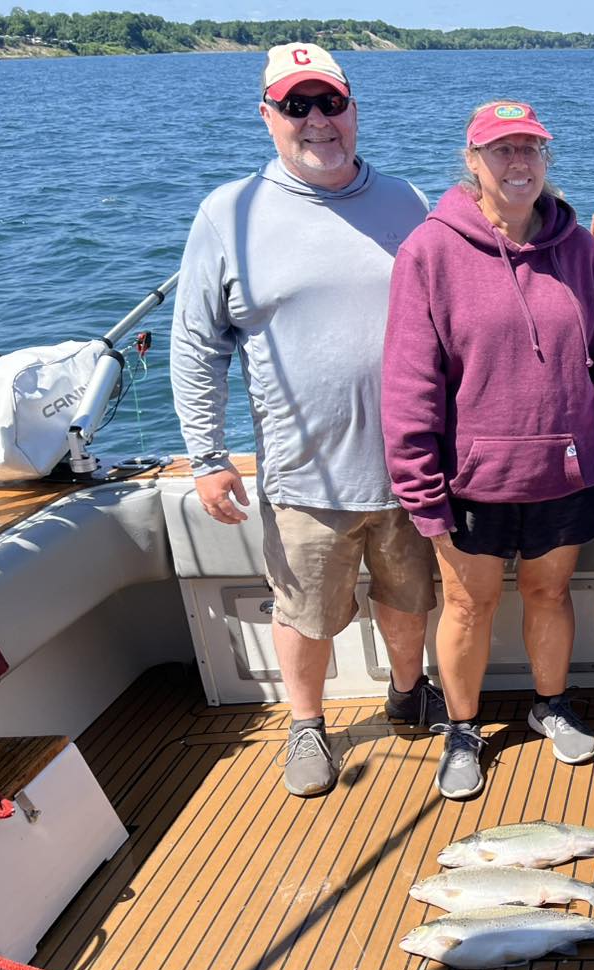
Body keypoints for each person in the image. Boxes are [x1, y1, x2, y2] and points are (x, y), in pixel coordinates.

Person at [171, 42, 444, 799]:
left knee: (409, 601)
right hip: (302, 477)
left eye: (330, 102)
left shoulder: (410, 201)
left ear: (354, 109)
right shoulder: (227, 214)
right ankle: (306, 724)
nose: (317, 119)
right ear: (267, 115)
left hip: (410, 468)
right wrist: (207, 456)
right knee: (306, 614)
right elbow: (196, 345)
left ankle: (408, 693)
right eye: (297, 105)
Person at [383, 101, 594, 800]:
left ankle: (552, 704)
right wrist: (421, 488)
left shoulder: (580, 250)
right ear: (472, 161)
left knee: (551, 592)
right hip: (472, 482)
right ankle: (463, 730)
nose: (519, 163)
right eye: (501, 150)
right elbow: (409, 382)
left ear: (546, 158)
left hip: (565, 471)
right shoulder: (429, 251)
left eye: (530, 149)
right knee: (467, 606)